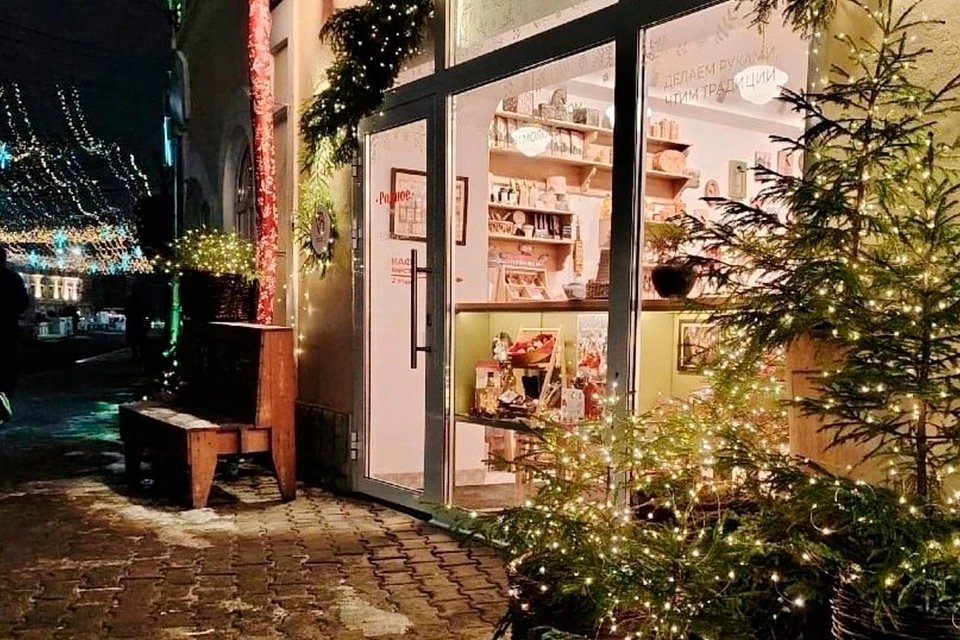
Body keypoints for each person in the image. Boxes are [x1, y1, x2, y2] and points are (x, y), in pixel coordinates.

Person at [0, 245, 30, 422]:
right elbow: (23, 304)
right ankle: (3, 397)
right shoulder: (12, 278)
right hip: (6, 329)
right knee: (9, 365)